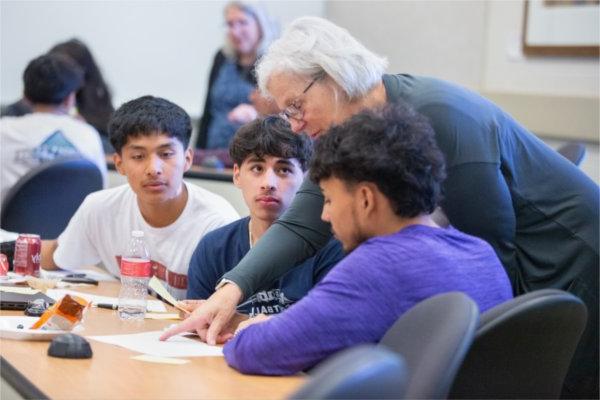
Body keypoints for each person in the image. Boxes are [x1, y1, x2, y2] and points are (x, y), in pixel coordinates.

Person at [163, 16, 599, 397]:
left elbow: (493, 247)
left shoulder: (441, 115)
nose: (293, 124)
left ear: (332, 77)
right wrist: (232, 290)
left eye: (296, 106)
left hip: (573, 256)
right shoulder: (353, 136)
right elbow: (302, 224)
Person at [163, 104, 513, 375]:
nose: (325, 216)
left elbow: (258, 352)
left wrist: (252, 328)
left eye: (328, 199)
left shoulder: (376, 265)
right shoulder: (481, 254)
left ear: (365, 199)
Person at [40, 96, 239, 299]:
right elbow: (56, 255)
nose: (153, 169)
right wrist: (9, 248)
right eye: (138, 156)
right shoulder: (100, 207)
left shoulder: (218, 224)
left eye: (166, 154)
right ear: (119, 164)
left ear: (187, 159)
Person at [184, 116, 343, 322]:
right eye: (257, 168)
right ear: (237, 175)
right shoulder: (213, 247)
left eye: (283, 170)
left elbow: (322, 329)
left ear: (306, 179)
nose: (268, 183)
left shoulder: (331, 248)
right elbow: (197, 323)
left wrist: (234, 321)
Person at [0, 53, 107, 206]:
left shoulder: (3, 131)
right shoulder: (87, 135)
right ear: (70, 98)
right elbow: (99, 191)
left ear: (25, 96)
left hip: (8, 229)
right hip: (73, 229)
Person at [1, 39, 115, 153]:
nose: (58, 77)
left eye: (66, 72)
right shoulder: (11, 118)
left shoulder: (96, 119)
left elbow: (115, 148)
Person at [195, 1, 279, 149]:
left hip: (254, 152)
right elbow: (208, 109)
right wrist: (198, 152)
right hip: (213, 153)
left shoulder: (275, 62)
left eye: (242, 22)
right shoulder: (222, 57)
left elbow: (283, 116)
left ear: (259, 25)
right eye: (230, 24)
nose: (235, 31)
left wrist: (256, 115)